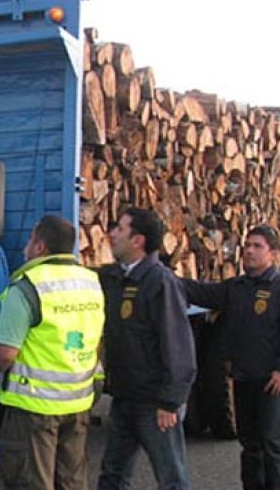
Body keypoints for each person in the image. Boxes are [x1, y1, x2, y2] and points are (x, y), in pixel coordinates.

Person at [0, 215, 105, 490]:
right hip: (78, 401)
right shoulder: (90, 282)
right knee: (70, 482)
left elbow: (5, 354)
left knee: (31, 482)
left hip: (33, 408)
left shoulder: (27, 286)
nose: (26, 247)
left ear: (39, 247)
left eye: (30, 240)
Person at [181, 224, 280, 490]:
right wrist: (167, 278)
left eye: (257, 246)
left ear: (272, 254)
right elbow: (202, 293)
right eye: (247, 245)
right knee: (249, 444)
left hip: (271, 380)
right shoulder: (236, 288)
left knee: (270, 442)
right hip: (243, 376)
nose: (249, 251)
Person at [96, 208, 196, 490]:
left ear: (138, 240)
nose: (112, 234)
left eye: (119, 229)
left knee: (171, 478)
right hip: (124, 398)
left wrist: (170, 401)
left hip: (154, 404)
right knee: (112, 476)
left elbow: (178, 345)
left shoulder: (160, 282)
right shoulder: (114, 278)